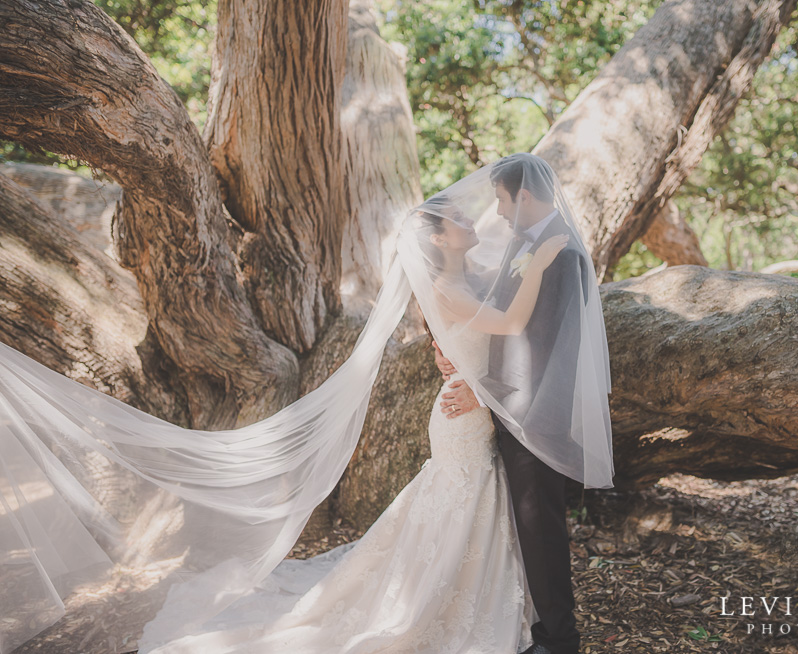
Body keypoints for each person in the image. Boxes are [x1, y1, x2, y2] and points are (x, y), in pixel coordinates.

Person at [0, 154, 612, 654]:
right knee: (462, 506)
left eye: (495, 202)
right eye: (459, 216)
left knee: (487, 510)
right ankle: (454, 608)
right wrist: (474, 357)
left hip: (487, 408)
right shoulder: (458, 281)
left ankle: (508, 609)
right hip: (468, 416)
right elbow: (501, 325)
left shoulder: (500, 262)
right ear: (437, 239)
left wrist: (468, 370)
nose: (485, 213)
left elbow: (490, 339)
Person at [434, 153, 606, 654]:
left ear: (524, 196)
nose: (500, 212)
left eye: (502, 200)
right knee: (523, 529)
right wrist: (450, 348)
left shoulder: (564, 254)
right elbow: (490, 310)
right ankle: (537, 625)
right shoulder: (525, 245)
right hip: (512, 411)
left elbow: (548, 350)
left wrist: (483, 389)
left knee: (541, 528)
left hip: (537, 416)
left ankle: (558, 640)